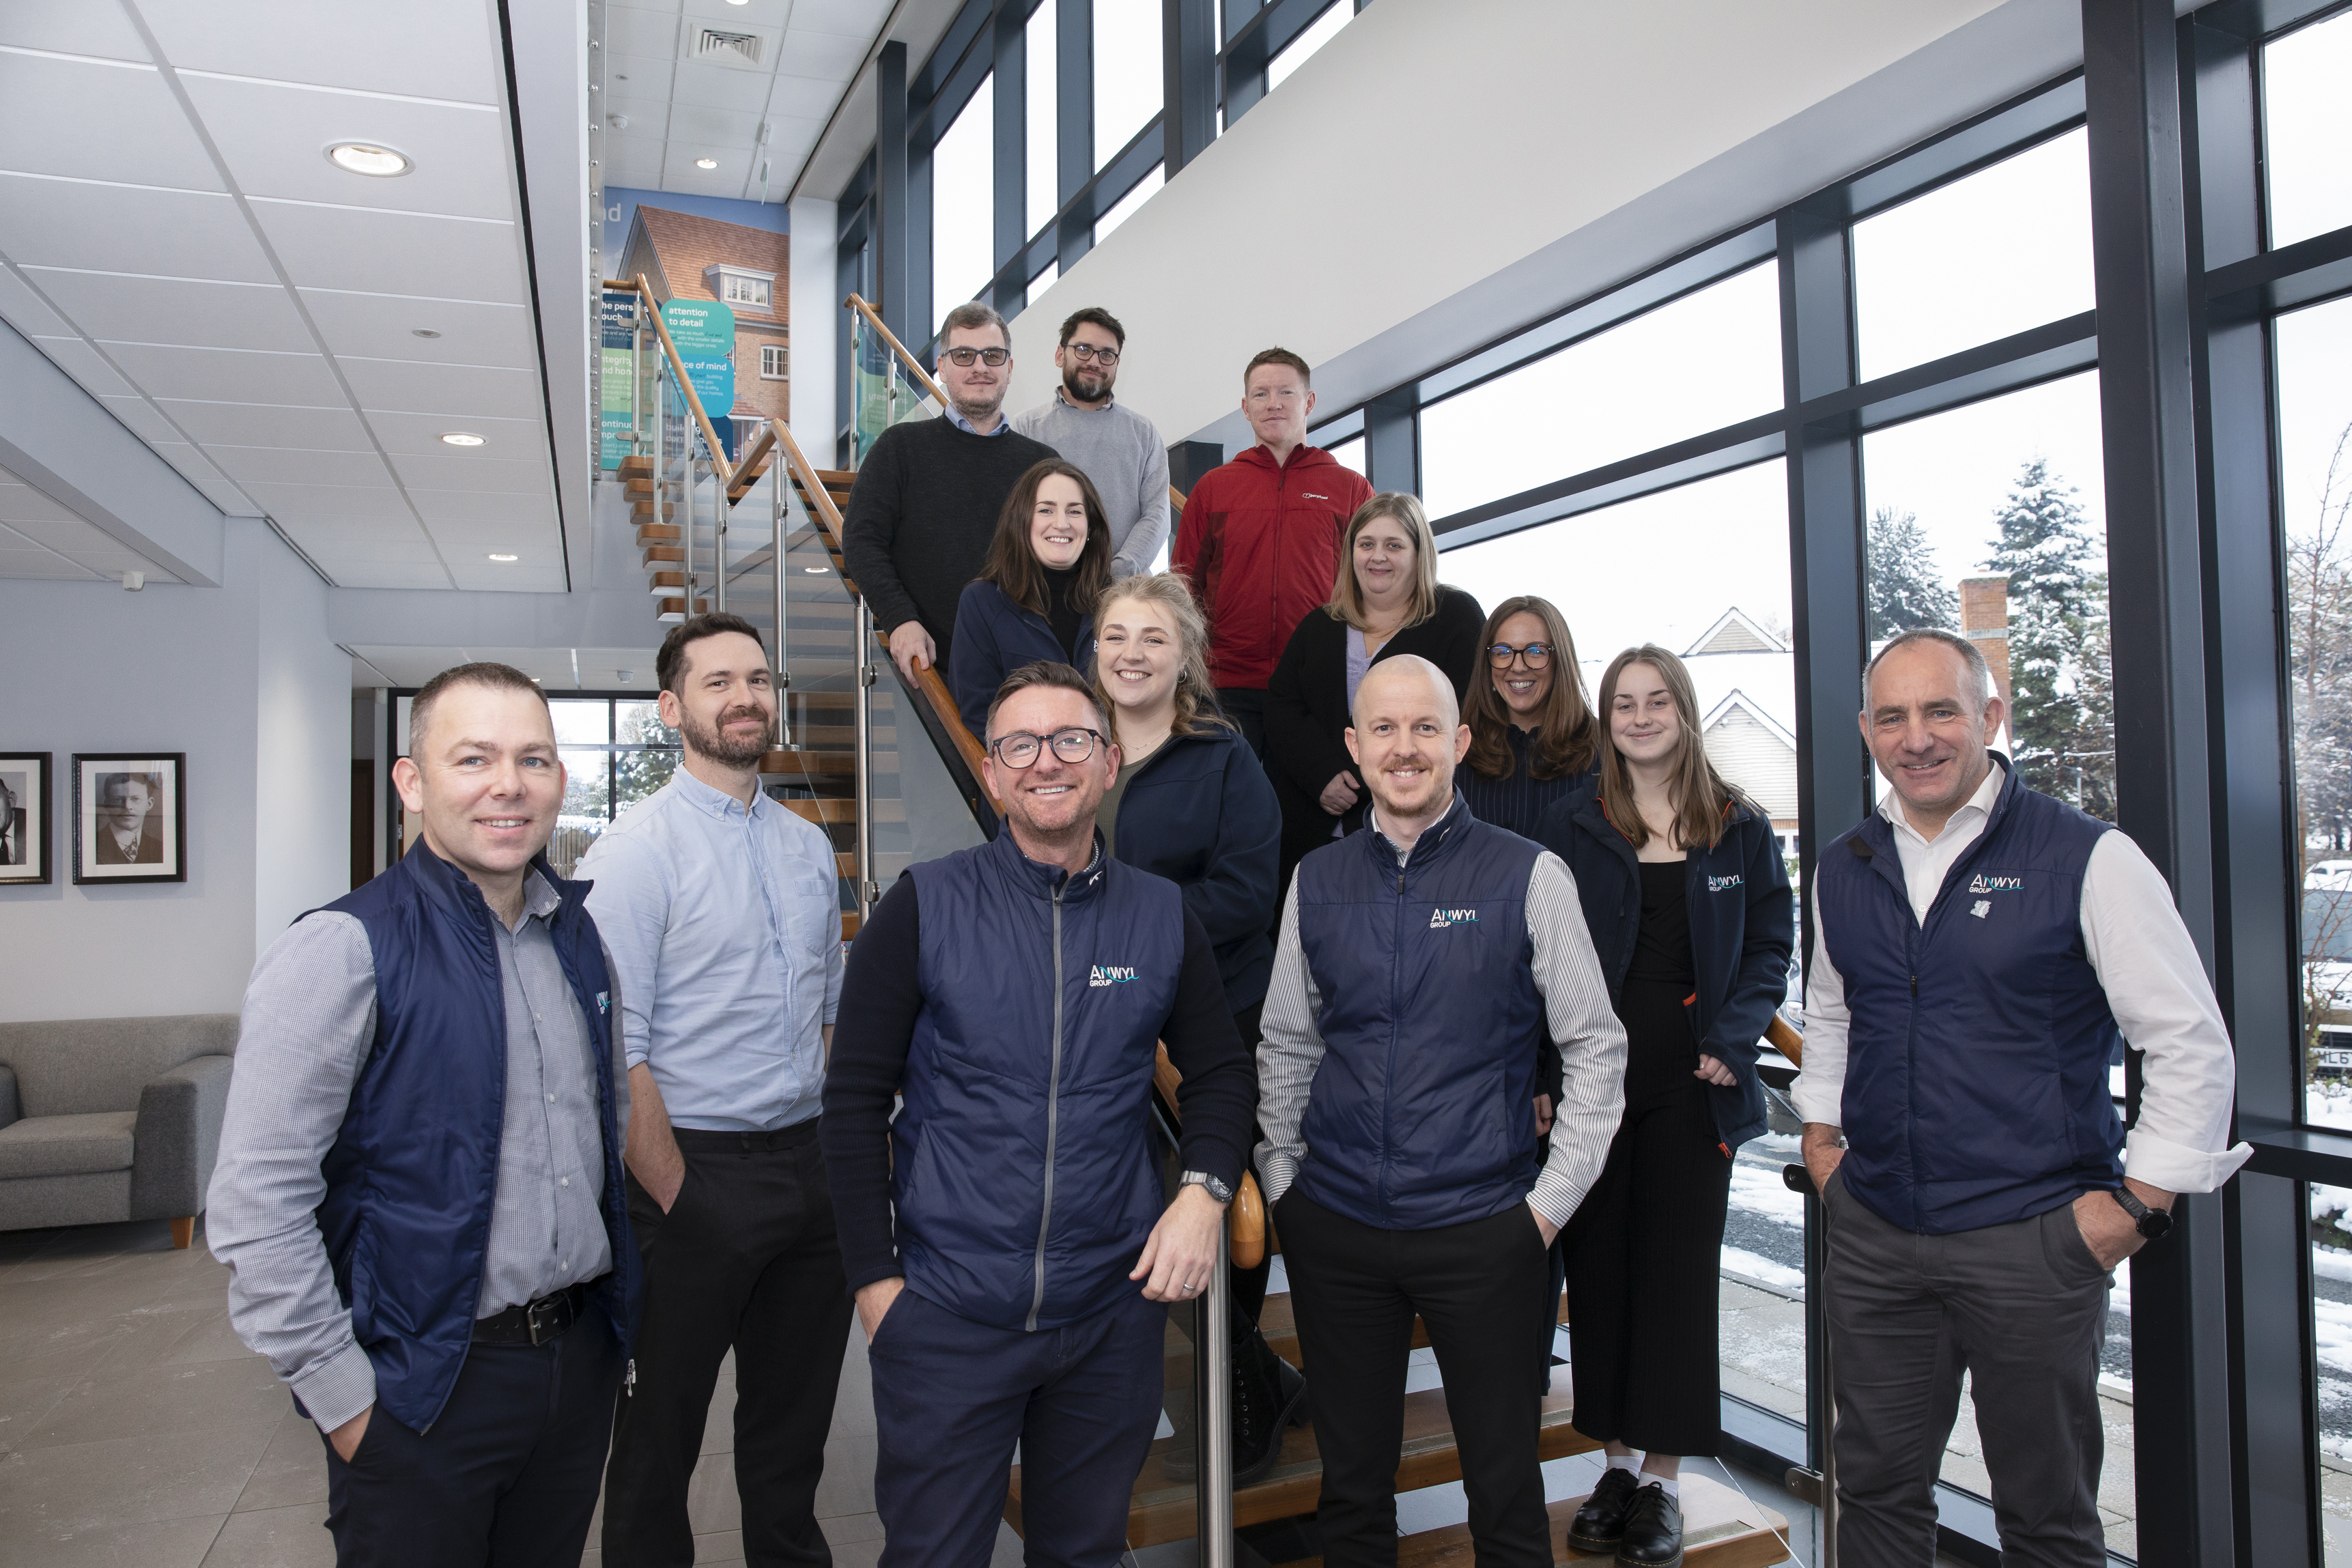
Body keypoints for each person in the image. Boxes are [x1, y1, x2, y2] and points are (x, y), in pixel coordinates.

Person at [1792, 628, 2251, 1567]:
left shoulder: (2086, 856)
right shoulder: (1843, 867)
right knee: (1874, 1489)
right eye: (1893, 716)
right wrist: (1821, 1141)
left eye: (1940, 711)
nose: (1916, 737)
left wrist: (2139, 1207)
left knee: (2044, 1516)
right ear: (1867, 732)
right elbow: (1835, 1014)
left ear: (1990, 718)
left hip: (2032, 1240)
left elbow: (2188, 1041)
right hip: (1877, 1232)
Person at [822, 661, 1258, 1568]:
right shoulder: (923, 906)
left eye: (1070, 740)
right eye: (1019, 743)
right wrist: (876, 1286)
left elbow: (1219, 1073)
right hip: (947, 1312)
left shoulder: (1160, 916)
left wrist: (1204, 1191)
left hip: (1108, 1316)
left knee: (1085, 1552)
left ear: (1106, 762)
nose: (1044, 762)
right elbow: (852, 1101)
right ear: (990, 773)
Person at [209, 662, 636, 1567]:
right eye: (473, 758)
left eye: (534, 759)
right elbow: (256, 1203)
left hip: (572, 1368)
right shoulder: (342, 948)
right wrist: (350, 1408)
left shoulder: (575, 935)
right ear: (413, 782)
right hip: (427, 1391)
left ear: (561, 778)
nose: (508, 785)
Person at [1256, 655, 1627, 1567]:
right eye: (1382, 728)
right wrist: (1283, 1184)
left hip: (1483, 1232)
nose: (1404, 746)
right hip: (1337, 1229)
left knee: (1503, 1494)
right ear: (1354, 745)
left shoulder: (1529, 875)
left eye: (1425, 727)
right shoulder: (1316, 879)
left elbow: (1594, 1047)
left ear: (1459, 742)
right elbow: (1287, 1043)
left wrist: (1543, 1211)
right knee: (1351, 1492)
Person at [578, 613, 853, 1568]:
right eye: (718, 682)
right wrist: (679, 1197)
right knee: (658, 1444)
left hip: (805, 1175)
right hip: (692, 1175)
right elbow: (619, 1050)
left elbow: (826, 1013)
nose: (745, 698)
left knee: (792, 1442)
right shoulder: (633, 853)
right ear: (672, 708)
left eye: (757, 680)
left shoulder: (806, 845)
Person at [1538, 646, 1794, 1568]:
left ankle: (1664, 1480)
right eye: (1623, 704)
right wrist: (1541, 1074)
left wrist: (1736, 1035)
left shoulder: (1736, 825)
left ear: (1683, 711)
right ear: (1607, 719)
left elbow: (1771, 940)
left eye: (1656, 701)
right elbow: (1541, 960)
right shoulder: (1578, 824)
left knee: (1677, 1278)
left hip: (1697, 1082)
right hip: (1594, 1081)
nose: (1640, 716)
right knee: (1600, 1271)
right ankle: (1612, 1463)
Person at [1089, 572, 1301, 1481]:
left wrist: (1127, 914)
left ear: (1184, 659)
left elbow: (1250, 894)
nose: (1131, 652)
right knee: (1127, 1218)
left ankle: (1239, 1396)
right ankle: (1255, 1384)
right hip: (1104, 1022)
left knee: (1223, 1208)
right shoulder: (1073, 749)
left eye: (1152, 638)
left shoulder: (1224, 756)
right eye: (1116, 636)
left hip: (1215, 1019)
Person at [1264, 493, 1483, 894]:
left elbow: (1462, 717)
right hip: (1312, 833)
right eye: (1366, 544)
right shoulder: (1320, 625)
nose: (1377, 557)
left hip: (1417, 836)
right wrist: (1322, 774)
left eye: (1394, 545)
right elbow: (1281, 707)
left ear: (1419, 553)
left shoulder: (1456, 618)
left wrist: (1370, 782)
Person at [842, 300, 1059, 686]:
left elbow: (1063, 562)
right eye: (964, 355)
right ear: (942, 367)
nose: (980, 367)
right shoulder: (899, 448)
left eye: (992, 355)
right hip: (929, 668)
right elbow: (861, 540)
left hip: (1030, 670)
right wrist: (900, 619)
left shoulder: (1043, 464)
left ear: (1009, 368)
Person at [1172, 348, 1374, 758]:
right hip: (1227, 682)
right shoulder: (1213, 488)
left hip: (1317, 679)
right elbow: (1183, 586)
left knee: (1311, 809)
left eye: (1286, 392)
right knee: (1232, 809)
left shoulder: (1351, 488)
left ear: (1309, 401)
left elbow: (1371, 586)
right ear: (1245, 408)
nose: (1274, 403)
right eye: (1261, 394)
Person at [948, 459, 1112, 736]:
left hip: (1108, 768)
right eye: (1046, 510)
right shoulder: (981, 602)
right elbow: (979, 714)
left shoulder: (1115, 602)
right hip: (1027, 769)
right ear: (1022, 521)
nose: (1061, 524)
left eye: (1074, 511)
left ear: (1090, 528)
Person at [1011, 307, 1171, 579]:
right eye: (1083, 349)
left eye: (1107, 355)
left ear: (1117, 364)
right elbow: (1014, 513)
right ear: (1060, 355)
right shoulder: (1025, 429)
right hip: (1042, 589)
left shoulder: (1143, 433)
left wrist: (1118, 572)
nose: (1095, 362)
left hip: (1121, 593)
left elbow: (1157, 516)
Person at [1459, 595, 1601, 839]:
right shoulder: (1459, 752)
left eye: (1536, 651)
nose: (1518, 667)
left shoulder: (1602, 750)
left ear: (1560, 660)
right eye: (1503, 652)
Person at [94, 771, 162, 864]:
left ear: (149, 804)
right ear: (107, 805)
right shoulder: (91, 846)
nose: (127, 806)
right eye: (118, 800)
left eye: (136, 799)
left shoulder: (160, 848)